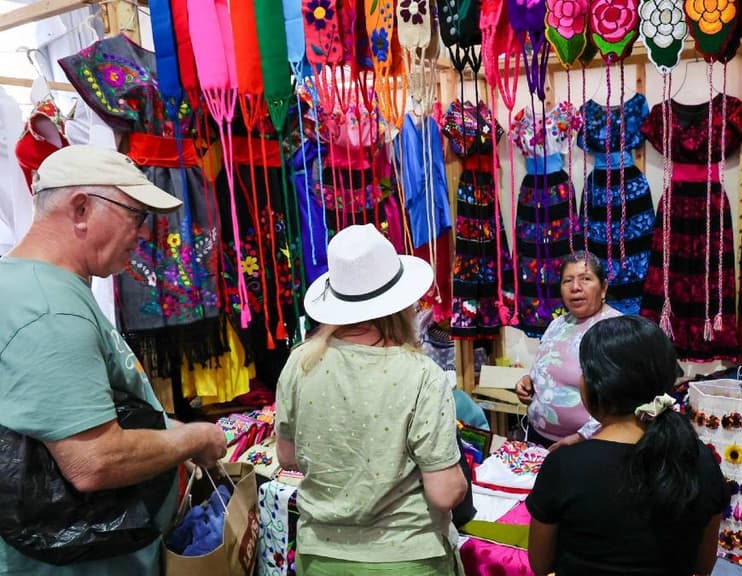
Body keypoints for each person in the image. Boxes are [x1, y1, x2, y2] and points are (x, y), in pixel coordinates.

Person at [0, 145, 228, 574]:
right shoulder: (51, 311)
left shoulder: (34, 287)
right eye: (136, 216)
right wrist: (193, 439)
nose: (144, 235)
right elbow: (94, 460)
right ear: (81, 208)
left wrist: (170, 433)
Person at [275, 224, 467, 576]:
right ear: (401, 302)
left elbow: (288, 456)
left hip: (321, 557)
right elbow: (444, 492)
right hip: (407, 558)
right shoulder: (421, 374)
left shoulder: (300, 363)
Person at [526, 315, 729, 576]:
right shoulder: (701, 460)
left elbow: (541, 565)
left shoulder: (564, 465)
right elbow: (703, 566)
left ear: (597, 386)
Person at [513, 251, 621, 449]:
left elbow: (621, 399)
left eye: (585, 279)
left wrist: (580, 437)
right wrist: (529, 382)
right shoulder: (557, 324)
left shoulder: (615, 329)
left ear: (603, 287)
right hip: (538, 436)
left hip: (586, 444)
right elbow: (548, 369)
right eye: (567, 281)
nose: (575, 287)